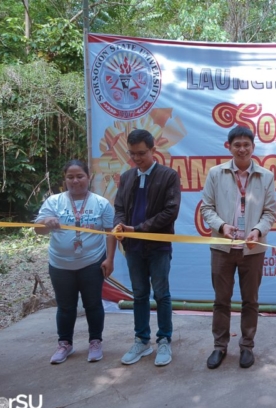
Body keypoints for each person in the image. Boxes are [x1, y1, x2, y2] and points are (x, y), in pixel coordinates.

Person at [200, 125, 276, 369]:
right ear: (229, 147)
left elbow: (270, 212)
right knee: (221, 300)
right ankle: (219, 347)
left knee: (250, 301)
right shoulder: (216, 173)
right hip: (222, 248)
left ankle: (247, 346)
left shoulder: (266, 176)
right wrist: (222, 227)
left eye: (246, 144)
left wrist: (257, 231)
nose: (242, 149)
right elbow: (206, 208)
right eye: (237, 145)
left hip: (252, 249)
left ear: (253, 147)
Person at [35, 159, 116, 364]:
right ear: (65, 180)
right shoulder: (54, 202)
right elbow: (38, 229)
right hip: (60, 265)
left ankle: (95, 342)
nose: (75, 180)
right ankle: (65, 344)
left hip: (91, 263)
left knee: (93, 304)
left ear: (88, 177)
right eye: (70, 177)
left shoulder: (101, 203)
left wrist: (109, 259)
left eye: (80, 176)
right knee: (65, 306)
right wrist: (46, 223)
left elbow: (111, 233)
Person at [114, 128, 181, 367]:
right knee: (139, 294)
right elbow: (119, 207)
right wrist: (119, 226)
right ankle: (142, 341)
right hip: (133, 248)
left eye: (142, 153)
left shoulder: (168, 176)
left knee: (161, 294)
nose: (137, 158)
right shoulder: (127, 177)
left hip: (158, 247)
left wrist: (139, 229)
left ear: (154, 150)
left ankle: (164, 340)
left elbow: (170, 212)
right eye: (132, 154)